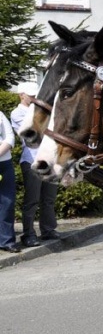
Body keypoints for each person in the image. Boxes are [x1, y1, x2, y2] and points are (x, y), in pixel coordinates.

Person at [11, 82, 60, 247]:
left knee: (49, 198)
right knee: (32, 199)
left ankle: (48, 230)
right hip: (31, 160)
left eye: (35, 95)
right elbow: (34, 134)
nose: (34, 98)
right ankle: (28, 234)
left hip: (49, 160)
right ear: (21, 95)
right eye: (31, 95)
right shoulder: (17, 113)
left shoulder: (43, 110)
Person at [0, 110, 20, 253]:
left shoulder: (0, 115)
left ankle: (6, 241)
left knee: (7, 203)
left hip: (4, 164)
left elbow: (10, 138)